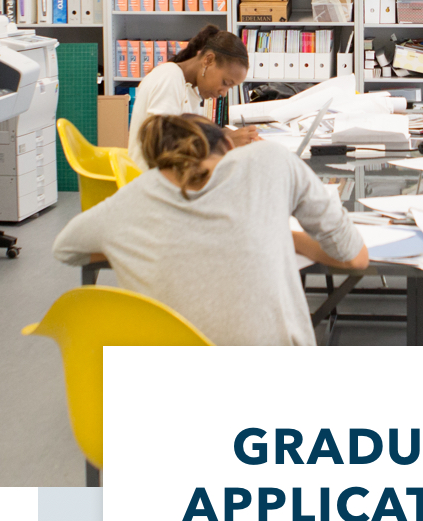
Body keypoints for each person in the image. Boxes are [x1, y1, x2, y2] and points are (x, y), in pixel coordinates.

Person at [54, 114, 368, 346]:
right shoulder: (270, 158)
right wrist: (289, 239)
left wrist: (130, 245)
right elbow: (355, 259)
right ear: (230, 145)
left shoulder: (129, 201)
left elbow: (65, 248)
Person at [127, 25, 260, 170]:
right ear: (208, 60)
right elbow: (163, 149)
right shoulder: (169, 77)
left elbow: (185, 143)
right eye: (225, 83)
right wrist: (221, 141)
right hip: (153, 184)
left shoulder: (190, 92)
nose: (223, 93)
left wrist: (220, 135)